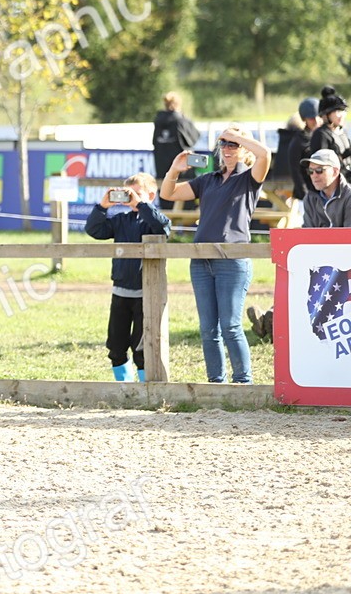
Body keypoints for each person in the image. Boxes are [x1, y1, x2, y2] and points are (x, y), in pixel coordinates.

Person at [160, 125, 270, 384]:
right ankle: (215, 383)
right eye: (223, 143)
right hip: (201, 261)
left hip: (232, 261)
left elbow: (264, 154)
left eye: (233, 144)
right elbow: (167, 193)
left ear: (244, 148)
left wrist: (237, 136)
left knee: (231, 326)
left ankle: (243, 383)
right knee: (208, 329)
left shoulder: (249, 178)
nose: (227, 148)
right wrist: (174, 170)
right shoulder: (208, 179)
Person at [248, 148, 351, 340]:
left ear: (335, 171)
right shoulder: (311, 198)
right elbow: (307, 234)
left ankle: (272, 319)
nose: (313, 175)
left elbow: (346, 239)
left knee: (309, 278)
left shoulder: (349, 195)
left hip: (343, 262)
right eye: (310, 171)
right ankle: (273, 317)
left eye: (319, 170)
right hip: (319, 258)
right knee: (294, 272)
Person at [84, 172, 171, 382]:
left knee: (142, 349)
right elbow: (94, 230)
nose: (131, 198)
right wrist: (102, 206)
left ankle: (144, 388)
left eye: (137, 193)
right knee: (116, 346)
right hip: (120, 292)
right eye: (128, 194)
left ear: (151, 196)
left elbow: (162, 228)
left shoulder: (154, 220)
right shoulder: (121, 220)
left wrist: (141, 205)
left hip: (146, 294)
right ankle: (124, 387)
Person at [152, 91, 200, 183]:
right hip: (183, 171)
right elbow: (193, 138)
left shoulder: (158, 121)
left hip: (162, 171)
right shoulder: (181, 121)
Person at [307, 86, 351, 184]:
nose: (341, 115)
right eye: (337, 111)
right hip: (334, 185)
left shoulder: (341, 132)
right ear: (325, 115)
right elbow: (321, 165)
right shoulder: (321, 135)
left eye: (343, 111)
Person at [288, 97, 321, 205]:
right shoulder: (298, 141)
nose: (316, 121)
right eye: (311, 118)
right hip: (308, 192)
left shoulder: (323, 136)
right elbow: (295, 171)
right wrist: (305, 195)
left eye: (318, 116)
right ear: (304, 119)